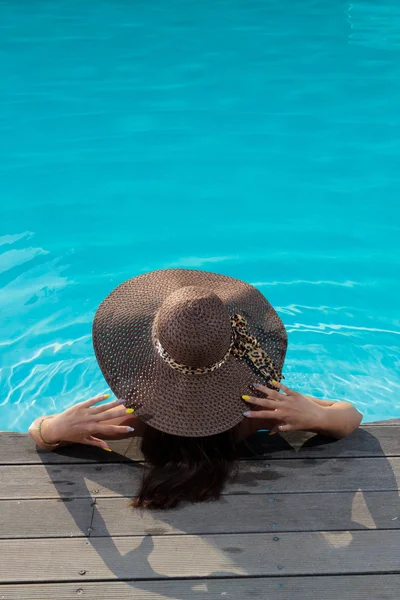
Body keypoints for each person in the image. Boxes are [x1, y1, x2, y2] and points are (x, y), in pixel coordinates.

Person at [29, 269, 362, 509]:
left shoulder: (135, 416)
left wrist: (54, 427)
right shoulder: (255, 410)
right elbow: (351, 416)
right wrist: (315, 415)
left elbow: (39, 434)